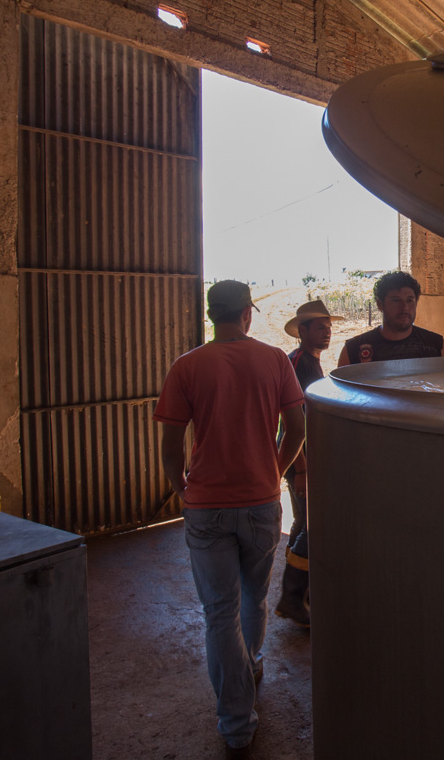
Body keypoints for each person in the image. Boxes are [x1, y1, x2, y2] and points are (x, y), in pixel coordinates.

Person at [154, 280, 305, 760]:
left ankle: (237, 726)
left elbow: (171, 443)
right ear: (247, 314)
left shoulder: (187, 366)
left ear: (211, 314)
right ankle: (253, 663)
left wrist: (183, 488)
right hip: (261, 503)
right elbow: (297, 427)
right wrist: (273, 472)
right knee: (253, 596)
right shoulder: (275, 360)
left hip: (207, 506)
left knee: (219, 612)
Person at [275, 299, 342, 628]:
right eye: (319, 327)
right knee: (312, 526)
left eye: (328, 327)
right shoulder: (299, 363)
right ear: (302, 331)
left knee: (303, 523)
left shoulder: (311, 362)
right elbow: (295, 423)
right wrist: (302, 467)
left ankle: (299, 591)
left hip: (304, 458)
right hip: (300, 459)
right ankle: (291, 596)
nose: (327, 332)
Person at [339, 270, 444, 366]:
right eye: (396, 300)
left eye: (409, 300)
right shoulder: (353, 350)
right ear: (380, 304)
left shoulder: (437, 346)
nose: (405, 307)